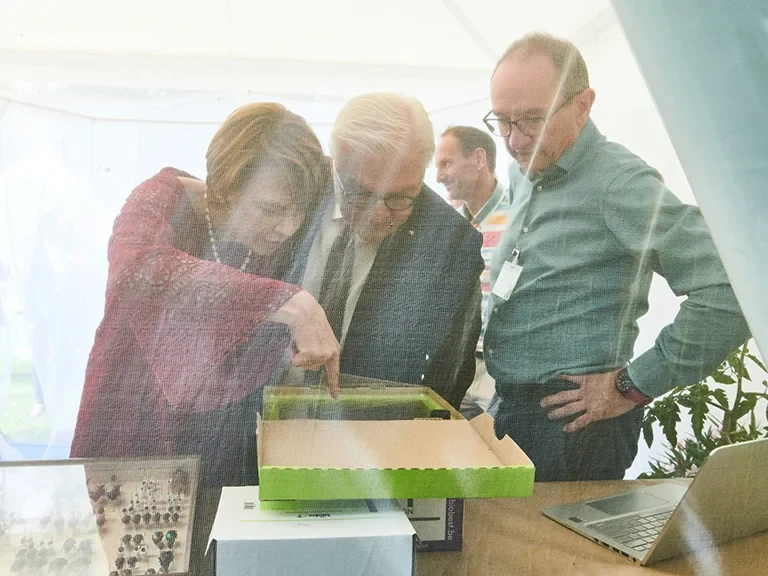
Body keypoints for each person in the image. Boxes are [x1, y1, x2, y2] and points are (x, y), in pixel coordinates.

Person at [482, 33, 750, 481]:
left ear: (583, 105)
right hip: (513, 407)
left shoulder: (621, 183)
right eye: (502, 122)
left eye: (531, 120)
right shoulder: (524, 168)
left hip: (573, 426)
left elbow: (731, 288)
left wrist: (632, 385)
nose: (515, 140)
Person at [70, 103, 340, 487]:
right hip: (133, 420)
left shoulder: (273, 232)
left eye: (299, 212)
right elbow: (136, 268)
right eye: (270, 210)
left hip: (220, 435)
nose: (287, 227)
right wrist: (283, 301)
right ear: (227, 188)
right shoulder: (160, 198)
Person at [280, 92, 484, 409]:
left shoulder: (449, 243)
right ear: (335, 164)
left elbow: (448, 375)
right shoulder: (292, 186)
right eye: (360, 194)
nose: (378, 215)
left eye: (401, 198)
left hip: (371, 437)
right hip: (262, 421)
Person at [435, 126, 511, 419]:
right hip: (457, 366)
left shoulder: (520, 217)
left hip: (502, 372)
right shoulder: (449, 225)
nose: (438, 176)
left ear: (479, 158)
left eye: (446, 163)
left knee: (496, 461)